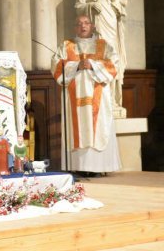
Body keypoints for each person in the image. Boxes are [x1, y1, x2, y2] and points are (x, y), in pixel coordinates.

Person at [50, 14, 121, 175]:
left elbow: (114, 64)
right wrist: (76, 65)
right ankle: (79, 167)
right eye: (79, 23)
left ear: (92, 26)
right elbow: (56, 65)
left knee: (99, 127)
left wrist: (93, 64)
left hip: (98, 96)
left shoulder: (104, 46)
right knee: (78, 128)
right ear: (75, 27)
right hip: (74, 97)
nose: (83, 26)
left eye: (86, 23)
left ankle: (99, 168)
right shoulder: (66, 46)